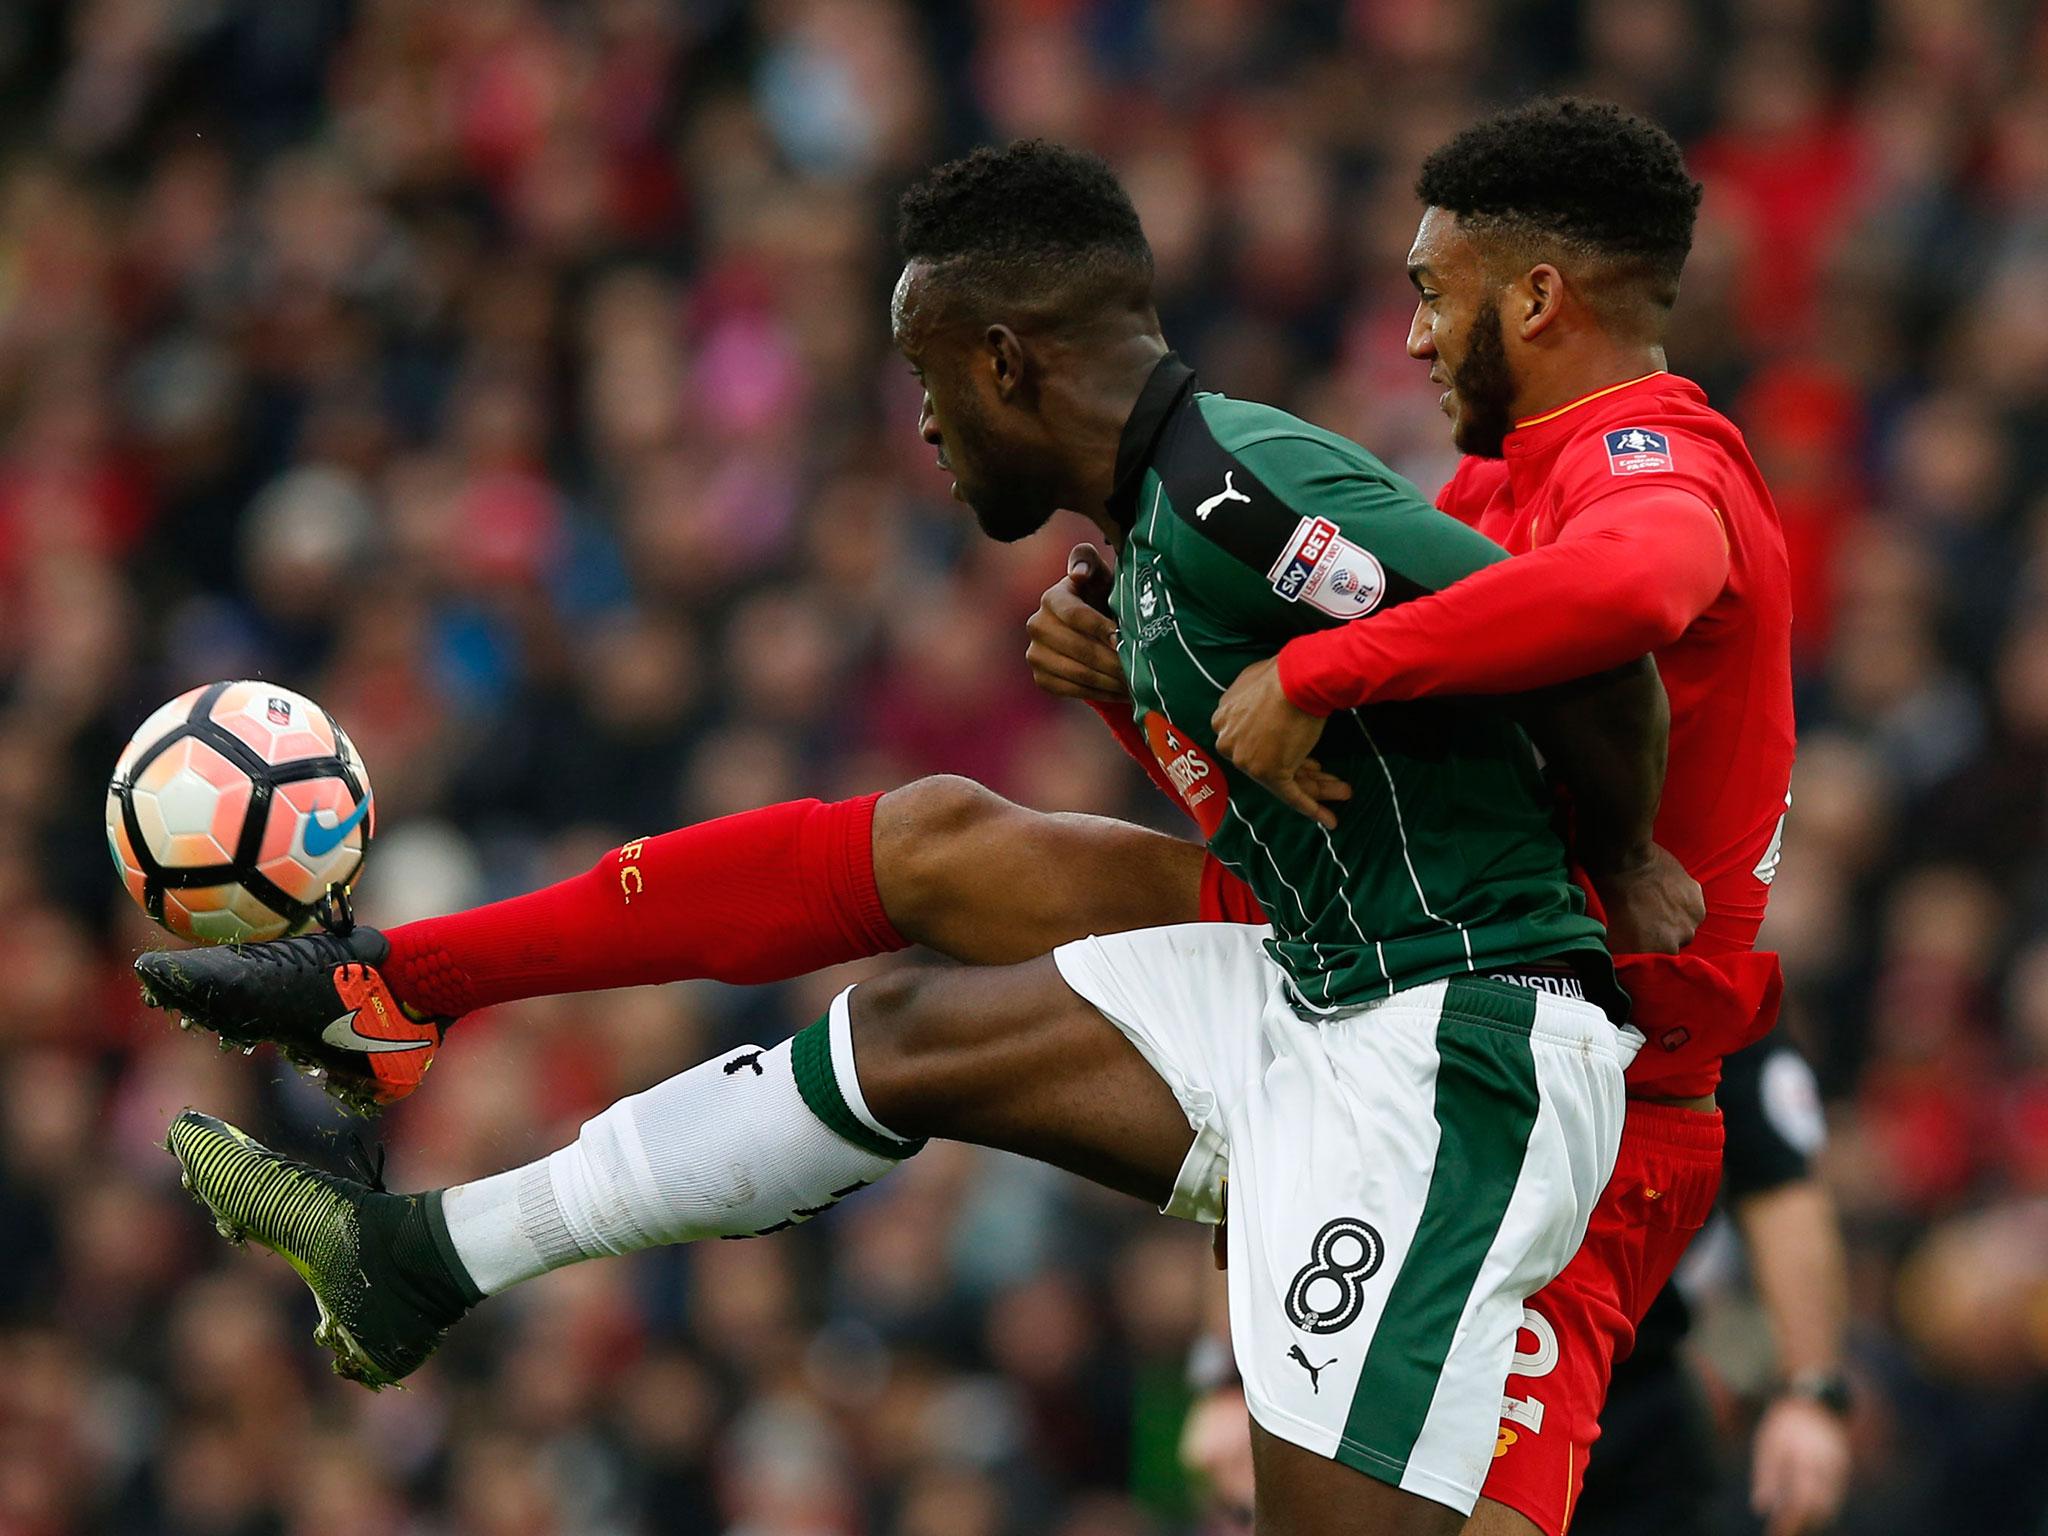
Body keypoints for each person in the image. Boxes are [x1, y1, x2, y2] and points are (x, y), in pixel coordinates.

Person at [159, 139, 1675, 1536]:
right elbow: (1310, 798)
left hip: (1454, 1045)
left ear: (1007, 362)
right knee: (905, 1029)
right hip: (1325, 993)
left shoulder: (1239, 496)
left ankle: (406, 1046)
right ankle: (419, 1255)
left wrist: (1615, 861)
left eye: (930, 380)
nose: (928, 427)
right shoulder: (1145, 549)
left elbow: (1591, 650)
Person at [1151, 97, 1795, 1536]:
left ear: (1539, 295)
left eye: (1432, 295)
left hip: (1593, 1107)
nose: (1415, 337)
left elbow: (1636, 593)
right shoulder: (1499, 488)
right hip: (1435, 1055)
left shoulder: (1653, 459)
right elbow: (1353, 788)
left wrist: (1322, 664)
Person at [1570, 1037, 1850, 1536]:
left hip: (1624, 1398)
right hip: (1445, 1366)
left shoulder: (1700, 973)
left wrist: (1811, 1392)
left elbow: (1777, 1176)